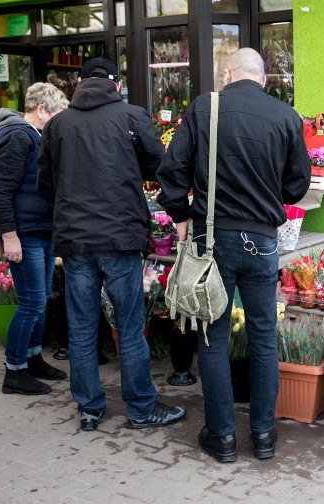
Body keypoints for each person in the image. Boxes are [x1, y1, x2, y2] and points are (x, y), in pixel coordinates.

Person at [157, 47, 311, 462]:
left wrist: (179, 214)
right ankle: (264, 436)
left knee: (212, 336)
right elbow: (297, 186)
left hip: (214, 239)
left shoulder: (206, 107)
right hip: (263, 241)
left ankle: (222, 437)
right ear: (264, 78)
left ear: (228, 74)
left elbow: (172, 170)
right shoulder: (284, 116)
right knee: (263, 338)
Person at [37, 57, 186, 432]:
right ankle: (140, 408)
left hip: (75, 242)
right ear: (115, 84)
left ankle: (89, 409)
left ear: (80, 83)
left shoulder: (56, 125)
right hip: (120, 238)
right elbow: (159, 168)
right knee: (130, 326)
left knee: (83, 328)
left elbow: (46, 185)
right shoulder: (132, 117)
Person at [0, 82, 69, 396]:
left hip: (41, 231)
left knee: (40, 303)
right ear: (41, 110)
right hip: (24, 235)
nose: (60, 122)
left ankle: (34, 359)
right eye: (58, 114)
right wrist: (9, 237)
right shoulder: (17, 137)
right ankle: (15, 371)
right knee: (31, 304)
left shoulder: (34, 136)